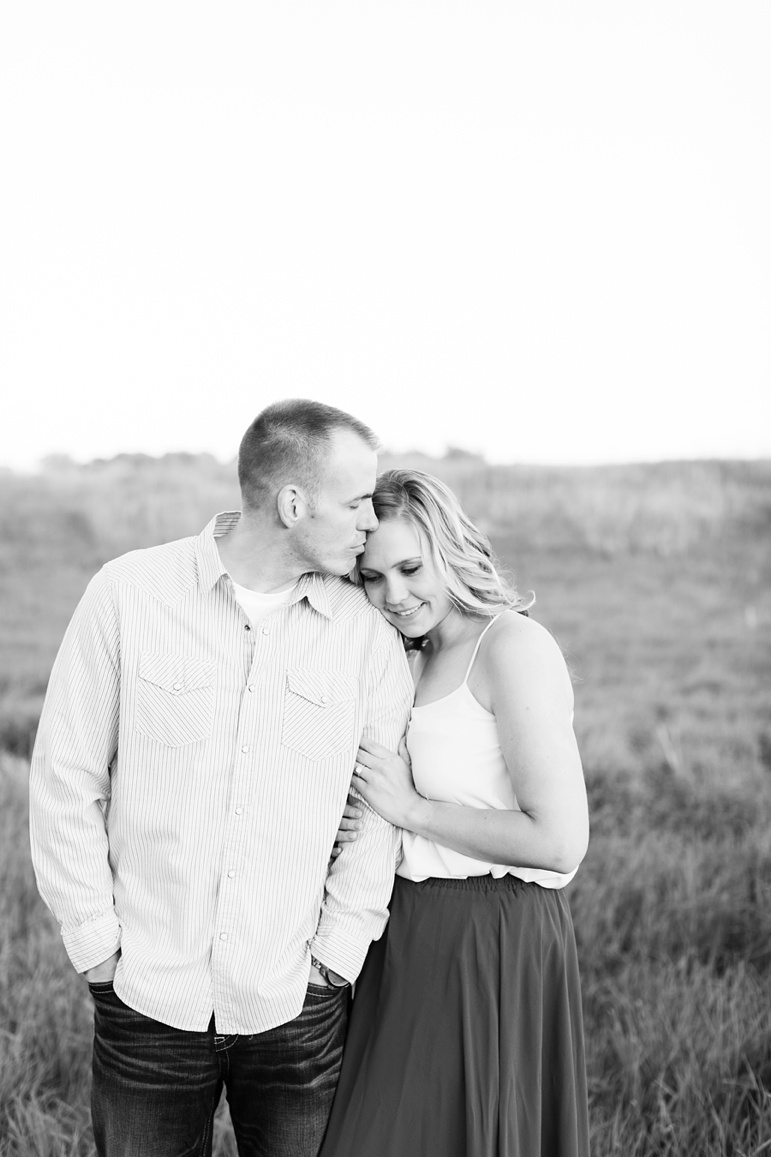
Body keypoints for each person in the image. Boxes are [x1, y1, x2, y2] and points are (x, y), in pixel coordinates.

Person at [28, 400, 414, 1157]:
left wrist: (335, 955)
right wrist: (97, 947)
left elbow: (377, 810)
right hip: (147, 998)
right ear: (293, 502)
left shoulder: (365, 636)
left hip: (295, 1004)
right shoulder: (127, 594)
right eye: (356, 500)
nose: (371, 520)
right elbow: (66, 776)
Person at [321, 468, 590, 1157]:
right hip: (402, 931)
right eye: (372, 577)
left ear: (450, 546)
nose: (394, 595)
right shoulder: (406, 653)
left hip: (489, 933)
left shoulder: (511, 647)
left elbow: (558, 840)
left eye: (410, 567)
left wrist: (409, 808)